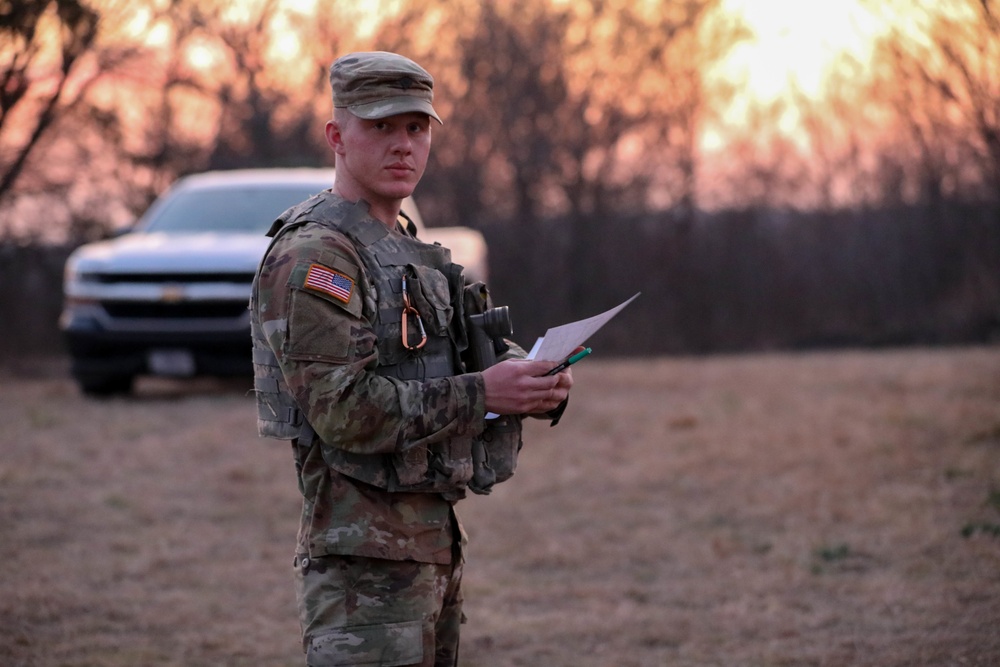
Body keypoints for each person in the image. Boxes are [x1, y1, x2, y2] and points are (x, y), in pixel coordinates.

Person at [249, 51, 573, 667]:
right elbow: (342, 410)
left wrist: (533, 379)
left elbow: (443, 361)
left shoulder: (405, 246)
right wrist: (486, 393)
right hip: (362, 570)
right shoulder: (317, 257)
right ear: (337, 137)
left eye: (416, 128)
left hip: (431, 544)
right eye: (381, 126)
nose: (403, 146)